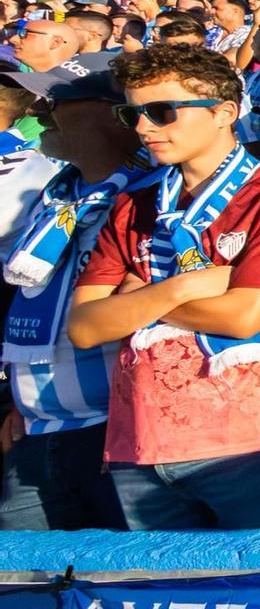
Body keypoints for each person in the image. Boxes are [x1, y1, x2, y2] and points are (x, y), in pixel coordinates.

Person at [70, 45, 260, 529]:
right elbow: (83, 327)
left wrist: (135, 298)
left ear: (225, 113)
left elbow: (242, 316)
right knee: (161, 598)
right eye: (133, 114)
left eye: (162, 113)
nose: (143, 129)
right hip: (141, 438)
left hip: (248, 440)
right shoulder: (132, 205)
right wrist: (179, 289)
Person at [0, 55, 149, 530]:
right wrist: (21, 404)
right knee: (22, 588)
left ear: (111, 112)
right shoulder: (54, 195)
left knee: (128, 585)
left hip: (117, 432)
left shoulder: (147, 200)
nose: (42, 110)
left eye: (59, 100)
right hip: (36, 429)